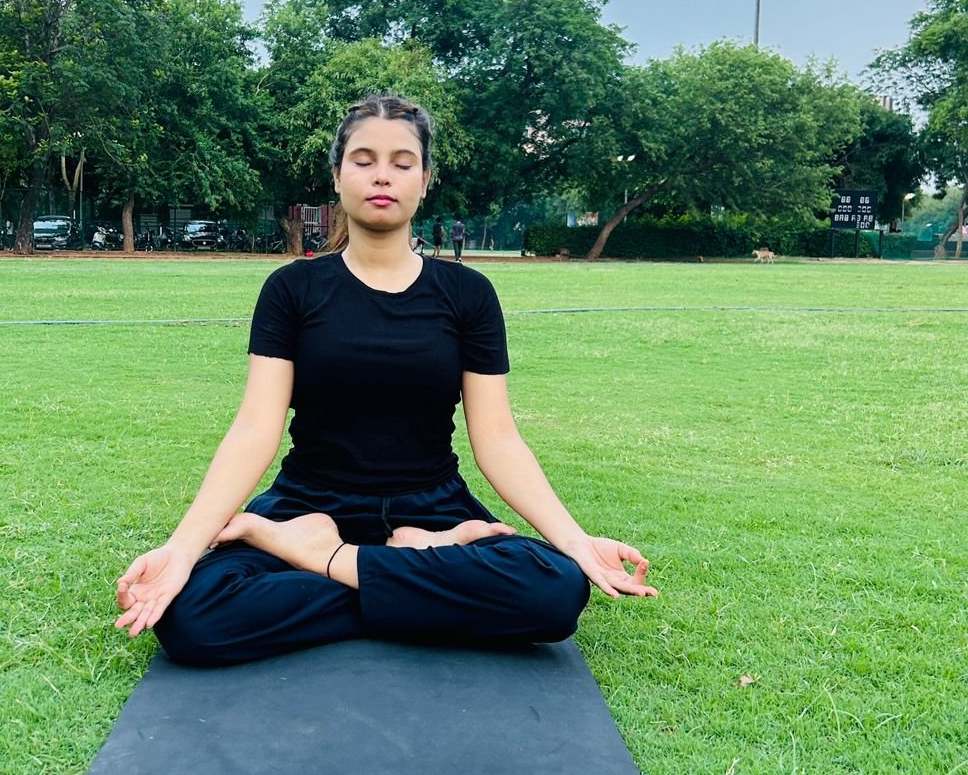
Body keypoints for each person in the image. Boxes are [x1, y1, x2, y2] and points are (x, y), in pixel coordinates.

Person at [115, 94, 656, 667]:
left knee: (555, 589)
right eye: (364, 159)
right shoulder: (292, 290)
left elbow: (497, 438)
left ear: (425, 180)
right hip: (307, 505)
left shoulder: (467, 294)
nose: (382, 176)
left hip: (432, 508)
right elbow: (255, 427)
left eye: (402, 162)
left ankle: (331, 561)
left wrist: (573, 542)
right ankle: (412, 578)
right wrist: (181, 549)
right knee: (193, 615)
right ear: (338, 175)